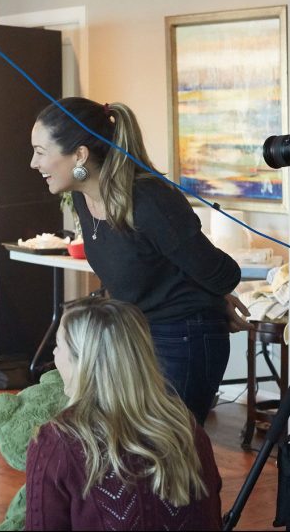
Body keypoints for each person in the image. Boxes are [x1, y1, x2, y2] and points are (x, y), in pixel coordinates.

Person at [29, 97, 246, 424]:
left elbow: (222, 274)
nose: (34, 163)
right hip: (138, 336)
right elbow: (136, 273)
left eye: (40, 152)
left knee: (172, 456)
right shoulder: (83, 197)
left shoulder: (149, 201)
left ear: (80, 155)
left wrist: (213, 299)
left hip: (182, 339)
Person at [25, 296, 223, 530]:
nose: (54, 356)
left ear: (83, 361)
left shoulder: (57, 441)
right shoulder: (186, 429)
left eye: (58, 345)